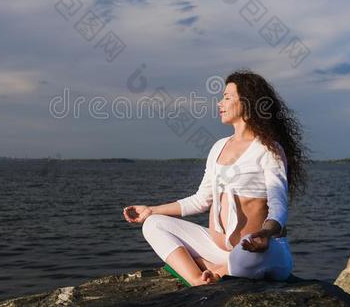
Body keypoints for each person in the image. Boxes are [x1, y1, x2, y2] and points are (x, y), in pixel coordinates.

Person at [123, 70, 309, 286]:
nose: (219, 103)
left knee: (246, 253)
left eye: (227, 97)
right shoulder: (219, 147)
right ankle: (198, 279)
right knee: (153, 225)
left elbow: (279, 206)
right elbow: (201, 200)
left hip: (258, 250)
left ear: (248, 103)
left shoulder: (268, 150)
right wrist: (151, 210)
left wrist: (265, 234)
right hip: (219, 249)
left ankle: (213, 268)